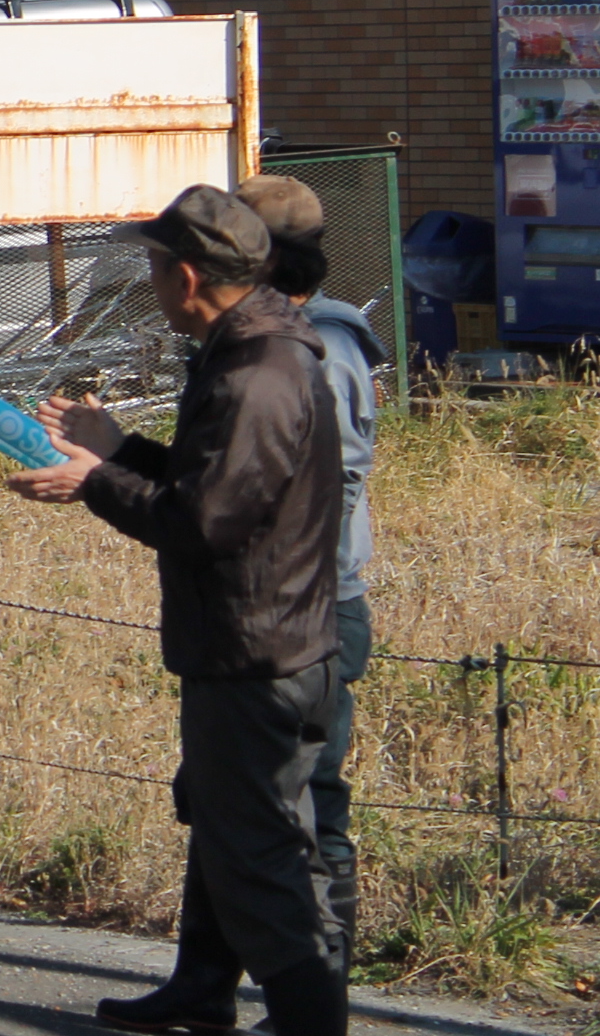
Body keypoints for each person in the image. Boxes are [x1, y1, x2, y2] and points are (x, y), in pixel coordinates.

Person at [7, 185, 347, 1036]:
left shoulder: (255, 372)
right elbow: (221, 484)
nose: (149, 284)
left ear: (187, 275)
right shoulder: (253, 349)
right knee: (225, 826)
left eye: (153, 268)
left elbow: (204, 521)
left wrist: (94, 480)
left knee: (258, 858)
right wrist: (122, 448)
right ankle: (202, 988)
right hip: (268, 642)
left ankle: (310, 1019)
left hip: (253, 653)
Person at [239, 174, 383, 963]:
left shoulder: (323, 344)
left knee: (313, 794)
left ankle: (324, 971)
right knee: (252, 798)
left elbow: (335, 478)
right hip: (303, 595)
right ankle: (214, 977)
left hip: (317, 598)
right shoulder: (294, 334)